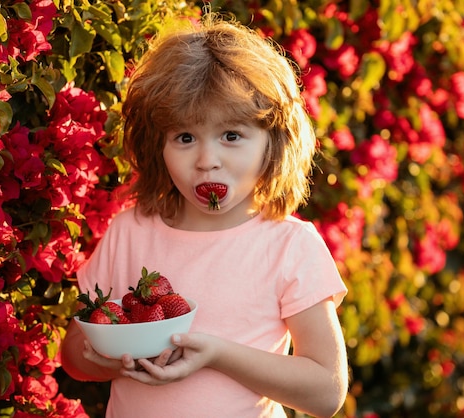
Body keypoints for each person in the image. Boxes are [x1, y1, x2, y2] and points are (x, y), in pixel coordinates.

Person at [61, 12, 348, 418]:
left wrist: (217, 354)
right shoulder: (129, 231)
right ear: (155, 145)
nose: (207, 160)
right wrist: (105, 359)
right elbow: (73, 354)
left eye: (231, 136)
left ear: (274, 143)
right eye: (184, 137)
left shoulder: (288, 246)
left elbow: (326, 391)